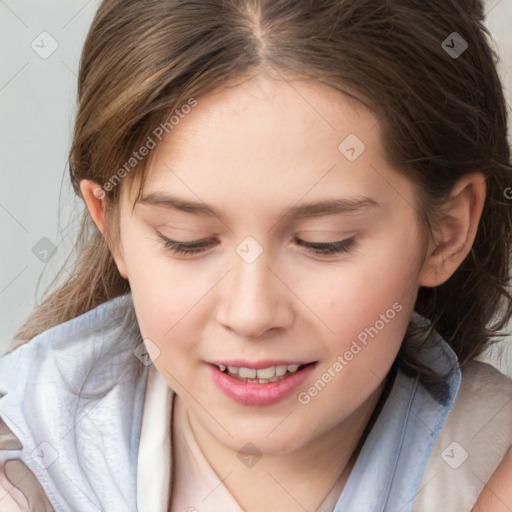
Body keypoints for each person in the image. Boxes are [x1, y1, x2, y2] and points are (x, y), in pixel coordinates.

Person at [1, 0, 511, 510]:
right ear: (109, 225)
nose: (250, 313)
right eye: (186, 239)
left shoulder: (490, 467)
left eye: (323, 241)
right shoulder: (23, 467)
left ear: (446, 231)